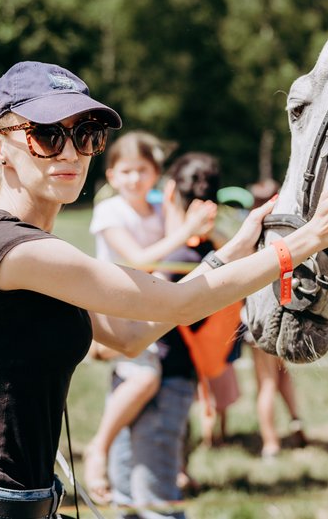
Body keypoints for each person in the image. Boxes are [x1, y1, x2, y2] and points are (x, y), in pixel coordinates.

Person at [0, 60, 328, 519]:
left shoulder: (28, 249)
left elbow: (130, 336)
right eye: (47, 135)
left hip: (20, 505)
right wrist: (311, 237)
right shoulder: (7, 248)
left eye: (86, 135)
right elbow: (178, 304)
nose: (70, 152)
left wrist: (230, 252)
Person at [84, 133, 216, 503]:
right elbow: (139, 260)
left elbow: (176, 253)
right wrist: (186, 229)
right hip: (116, 310)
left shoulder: (160, 207)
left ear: (156, 173)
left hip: (148, 309)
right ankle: (98, 448)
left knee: (151, 386)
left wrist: (178, 214)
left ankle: (159, 467)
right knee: (144, 378)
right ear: (111, 175)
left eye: (142, 170)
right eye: (126, 171)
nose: (134, 179)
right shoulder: (109, 212)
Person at [244, 180, 306, 460]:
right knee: (281, 376)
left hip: (259, 318)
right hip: (278, 312)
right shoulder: (283, 235)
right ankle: (295, 424)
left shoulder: (250, 237)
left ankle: (271, 442)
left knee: (267, 382)